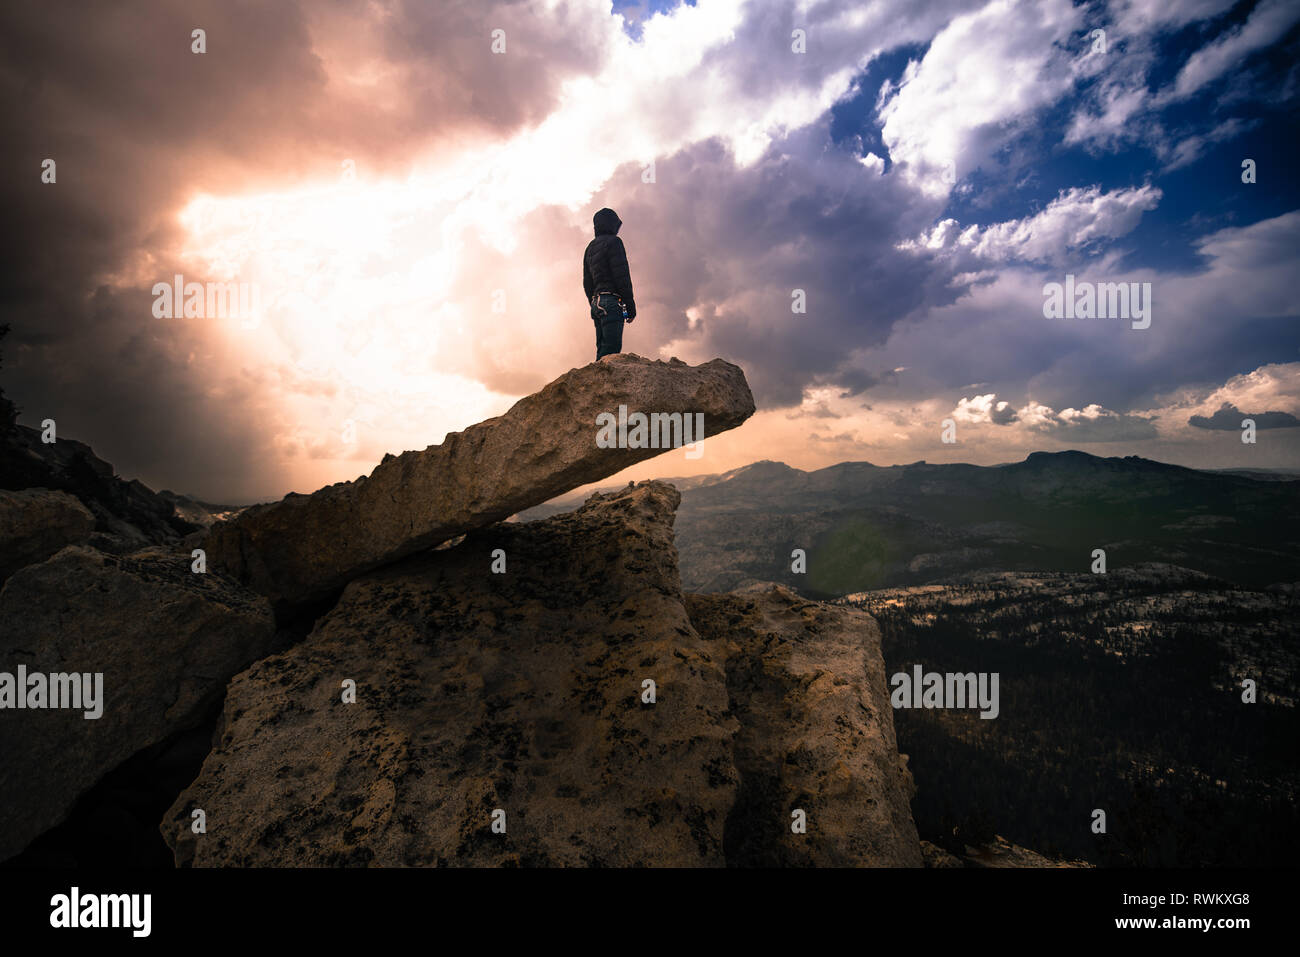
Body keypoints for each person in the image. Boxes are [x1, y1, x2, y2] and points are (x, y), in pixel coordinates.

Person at [582, 207, 636, 360]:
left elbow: (587, 282)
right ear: (612, 224)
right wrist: (630, 310)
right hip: (612, 302)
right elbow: (622, 277)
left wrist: (593, 302)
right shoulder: (615, 242)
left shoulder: (590, 248)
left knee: (602, 350)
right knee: (611, 352)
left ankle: (596, 383)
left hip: (596, 303)